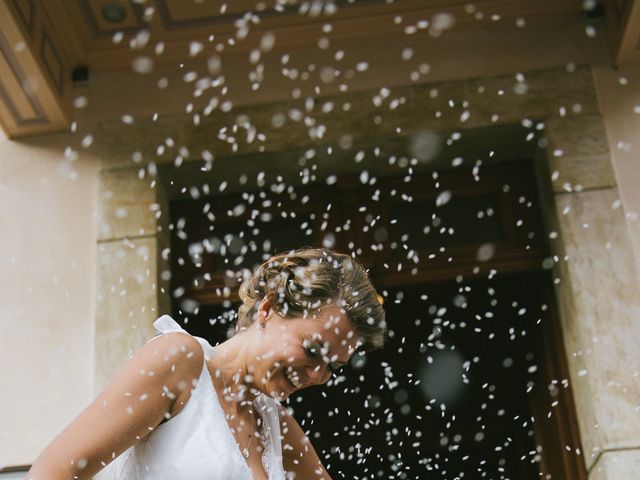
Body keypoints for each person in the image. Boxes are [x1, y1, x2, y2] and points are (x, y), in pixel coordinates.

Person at [26, 247, 387, 479]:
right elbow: (53, 472)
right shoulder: (179, 362)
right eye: (312, 350)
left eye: (333, 367)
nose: (318, 375)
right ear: (267, 309)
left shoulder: (277, 423)